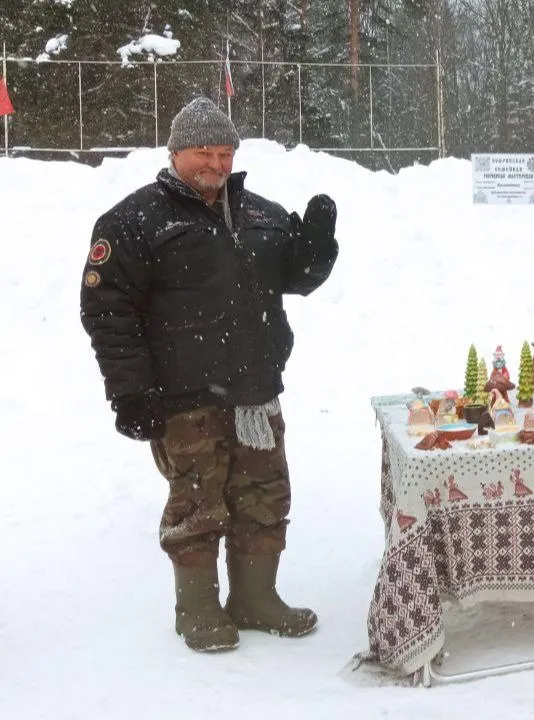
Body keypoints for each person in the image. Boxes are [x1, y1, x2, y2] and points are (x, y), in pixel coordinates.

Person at [79, 97, 339, 652]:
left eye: (225, 153)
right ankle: (196, 607)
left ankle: (255, 598)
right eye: (204, 152)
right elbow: (108, 313)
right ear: (175, 152)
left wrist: (317, 249)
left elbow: (299, 277)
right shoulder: (133, 220)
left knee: (265, 498)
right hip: (183, 396)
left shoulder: (261, 213)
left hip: (256, 392)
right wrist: (129, 393)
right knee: (197, 504)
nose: (216, 165)